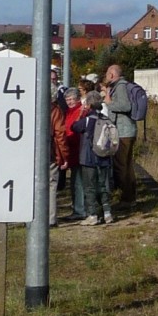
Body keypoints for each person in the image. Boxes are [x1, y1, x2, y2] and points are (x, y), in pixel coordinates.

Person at [72, 91, 114, 225]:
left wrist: (80, 114)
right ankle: (107, 213)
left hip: (89, 158)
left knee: (89, 187)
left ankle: (92, 215)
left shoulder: (87, 120)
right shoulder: (106, 119)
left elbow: (74, 127)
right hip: (104, 157)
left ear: (89, 105)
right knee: (103, 186)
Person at [103, 64, 138, 206]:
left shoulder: (121, 87)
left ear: (112, 74)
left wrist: (109, 103)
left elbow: (125, 106)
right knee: (125, 164)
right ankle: (129, 196)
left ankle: (127, 198)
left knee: (122, 165)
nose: (106, 76)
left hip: (124, 132)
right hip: (124, 130)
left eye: (107, 73)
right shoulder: (118, 86)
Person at [62, 86, 87, 220]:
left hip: (78, 150)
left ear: (77, 99)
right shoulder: (68, 112)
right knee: (75, 182)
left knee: (78, 182)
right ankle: (78, 208)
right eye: (67, 100)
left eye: (71, 99)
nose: (69, 102)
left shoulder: (80, 112)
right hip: (72, 150)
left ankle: (80, 209)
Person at [47, 86, 70, 227]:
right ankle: (51, 219)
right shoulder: (55, 111)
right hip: (50, 152)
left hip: (31, 153)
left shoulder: (30, 107)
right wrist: (64, 156)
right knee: (51, 186)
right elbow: (60, 135)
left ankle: (32, 216)